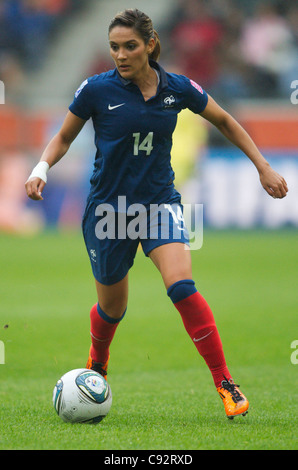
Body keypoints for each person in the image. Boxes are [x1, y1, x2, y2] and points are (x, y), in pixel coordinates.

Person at [25, 9, 288, 419]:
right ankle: (97, 362)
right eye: (114, 47)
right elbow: (62, 136)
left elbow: (223, 119)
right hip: (108, 211)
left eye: (130, 46)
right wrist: (41, 169)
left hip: (159, 204)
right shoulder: (96, 89)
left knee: (181, 286)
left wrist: (263, 166)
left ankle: (224, 381)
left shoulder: (177, 89)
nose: (121, 55)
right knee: (113, 309)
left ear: (150, 44)